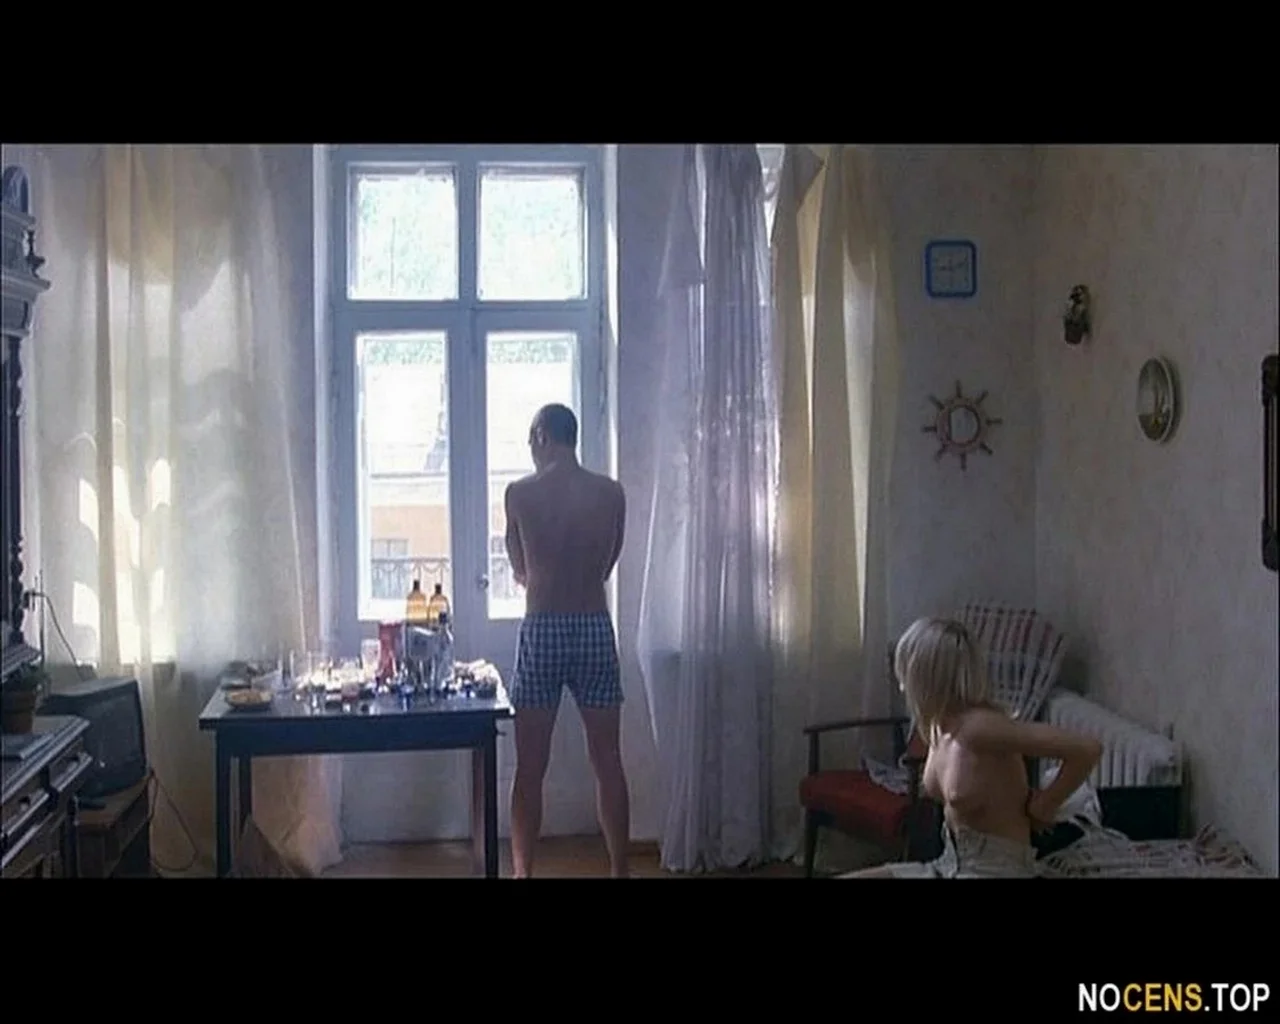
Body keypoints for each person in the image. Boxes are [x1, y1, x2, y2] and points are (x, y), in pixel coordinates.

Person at [843, 617, 1102, 878]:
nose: (901, 685)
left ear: (925, 676)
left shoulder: (980, 727)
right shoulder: (937, 727)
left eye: (904, 674)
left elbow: (1086, 749)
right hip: (947, 867)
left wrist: (1044, 805)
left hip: (997, 871)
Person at [504, 404, 631, 878]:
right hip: (593, 624)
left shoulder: (520, 494)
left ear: (541, 436)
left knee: (529, 766)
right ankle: (620, 871)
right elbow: (608, 563)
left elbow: (520, 568)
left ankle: (523, 874)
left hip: (543, 627)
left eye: (530, 441)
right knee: (608, 760)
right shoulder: (611, 493)